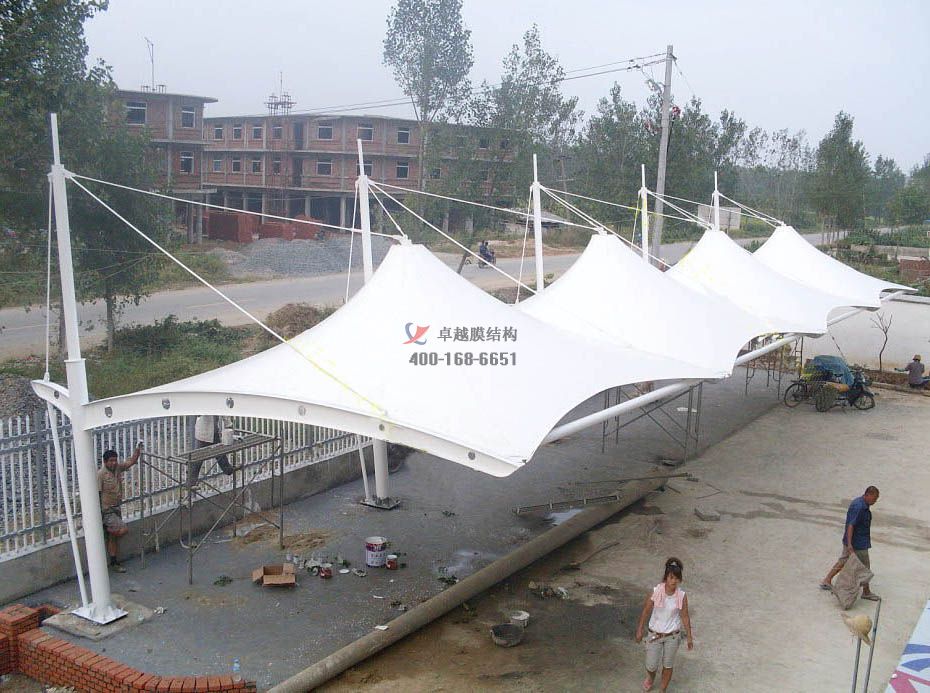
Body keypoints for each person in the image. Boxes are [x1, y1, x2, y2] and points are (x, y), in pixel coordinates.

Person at [635, 557, 694, 692]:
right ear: (666, 578)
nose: (674, 581)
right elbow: (646, 611)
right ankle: (651, 677)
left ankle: (662, 689)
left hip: (672, 636)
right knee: (651, 665)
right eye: (671, 577)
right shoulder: (656, 591)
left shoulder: (681, 596)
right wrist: (640, 629)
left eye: (677, 578)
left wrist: (689, 637)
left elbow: (685, 616)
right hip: (654, 634)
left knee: (668, 665)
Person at [820, 486, 880, 600]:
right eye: (874, 498)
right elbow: (851, 525)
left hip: (856, 541)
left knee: (843, 561)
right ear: (868, 495)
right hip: (857, 543)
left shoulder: (861, 503)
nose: (875, 501)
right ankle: (866, 592)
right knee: (865, 568)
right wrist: (850, 544)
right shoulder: (859, 507)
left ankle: (827, 580)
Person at [97, 443, 143, 573]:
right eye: (111, 461)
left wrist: (138, 449)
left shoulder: (117, 468)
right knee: (122, 529)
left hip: (116, 507)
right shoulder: (101, 475)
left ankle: (114, 562)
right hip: (107, 510)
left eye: (115, 460)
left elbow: (131, 462)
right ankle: (107, 528)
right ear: (105, 462)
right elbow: (97, 494)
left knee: (113, 538)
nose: (113, 463)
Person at [191, 415, 235, 485]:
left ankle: (228, 470)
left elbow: (224, 413)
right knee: (198, 459)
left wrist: (228, 424)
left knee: (220, 454)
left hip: (214, 433)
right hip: (203, 434)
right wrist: (228, 424)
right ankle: (191, 482)